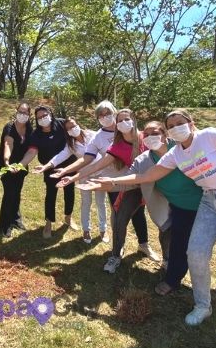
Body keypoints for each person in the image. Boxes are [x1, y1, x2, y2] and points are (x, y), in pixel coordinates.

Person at [92, 109, 216, 328]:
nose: (175, 127)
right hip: (208, 201)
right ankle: (202, 306)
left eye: (180, 122)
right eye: (171, 125)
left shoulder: (208, 136)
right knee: (195, 253)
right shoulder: (176, 154)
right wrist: (111, 183)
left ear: (191, 123)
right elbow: (147, 176)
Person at [55, 109, 159, 273]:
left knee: (154, 218)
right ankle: (116, 254)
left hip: (153, 184)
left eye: (127, 119)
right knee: (119, 219)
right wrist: (72, 177)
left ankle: (145, 246)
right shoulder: (116, 146)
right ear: (116, 125)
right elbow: (95, 164)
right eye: (120, 121)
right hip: (128, 185)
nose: (124, 123)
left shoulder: (146, 138)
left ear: (133, 119)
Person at [33, 116, 108, 243]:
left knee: (101, 202)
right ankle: (86, 230)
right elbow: (59, 157)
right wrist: (46, 166)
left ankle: (103, 230)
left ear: (78, 124)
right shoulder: (71, 145)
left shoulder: (93, 135)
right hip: (84, 174)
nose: (72, 129)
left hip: (99, 172)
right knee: (86, 202)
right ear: (66, 132)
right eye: (68, 129)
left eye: (73, 125)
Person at [17, 105, 76, 238]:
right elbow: (32, 151)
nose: (43, 118)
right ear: (36, 120)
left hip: (68, 165)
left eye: (45, 115)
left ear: (51, 114)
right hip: (49, 168)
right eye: (39, 117)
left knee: (69, 191)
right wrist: (20, 165)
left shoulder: (62, 124)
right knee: (51, 194)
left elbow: (77, 134)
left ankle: (68, 217)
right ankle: (48, 223)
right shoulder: (36, 135)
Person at [0, 102, 34, 237]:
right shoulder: (9, 127)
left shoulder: (29, 128)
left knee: (17, 192)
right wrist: (7, 162)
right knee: (9, 193)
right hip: (7, 166)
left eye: (26, 113)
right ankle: (5, 225)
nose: (23, 115)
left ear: (29, 115)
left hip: (21, 166)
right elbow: (8, 144)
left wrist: (21, 165)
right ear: (16, 111)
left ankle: (16, 219)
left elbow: (30, 148)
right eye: (20, 112)